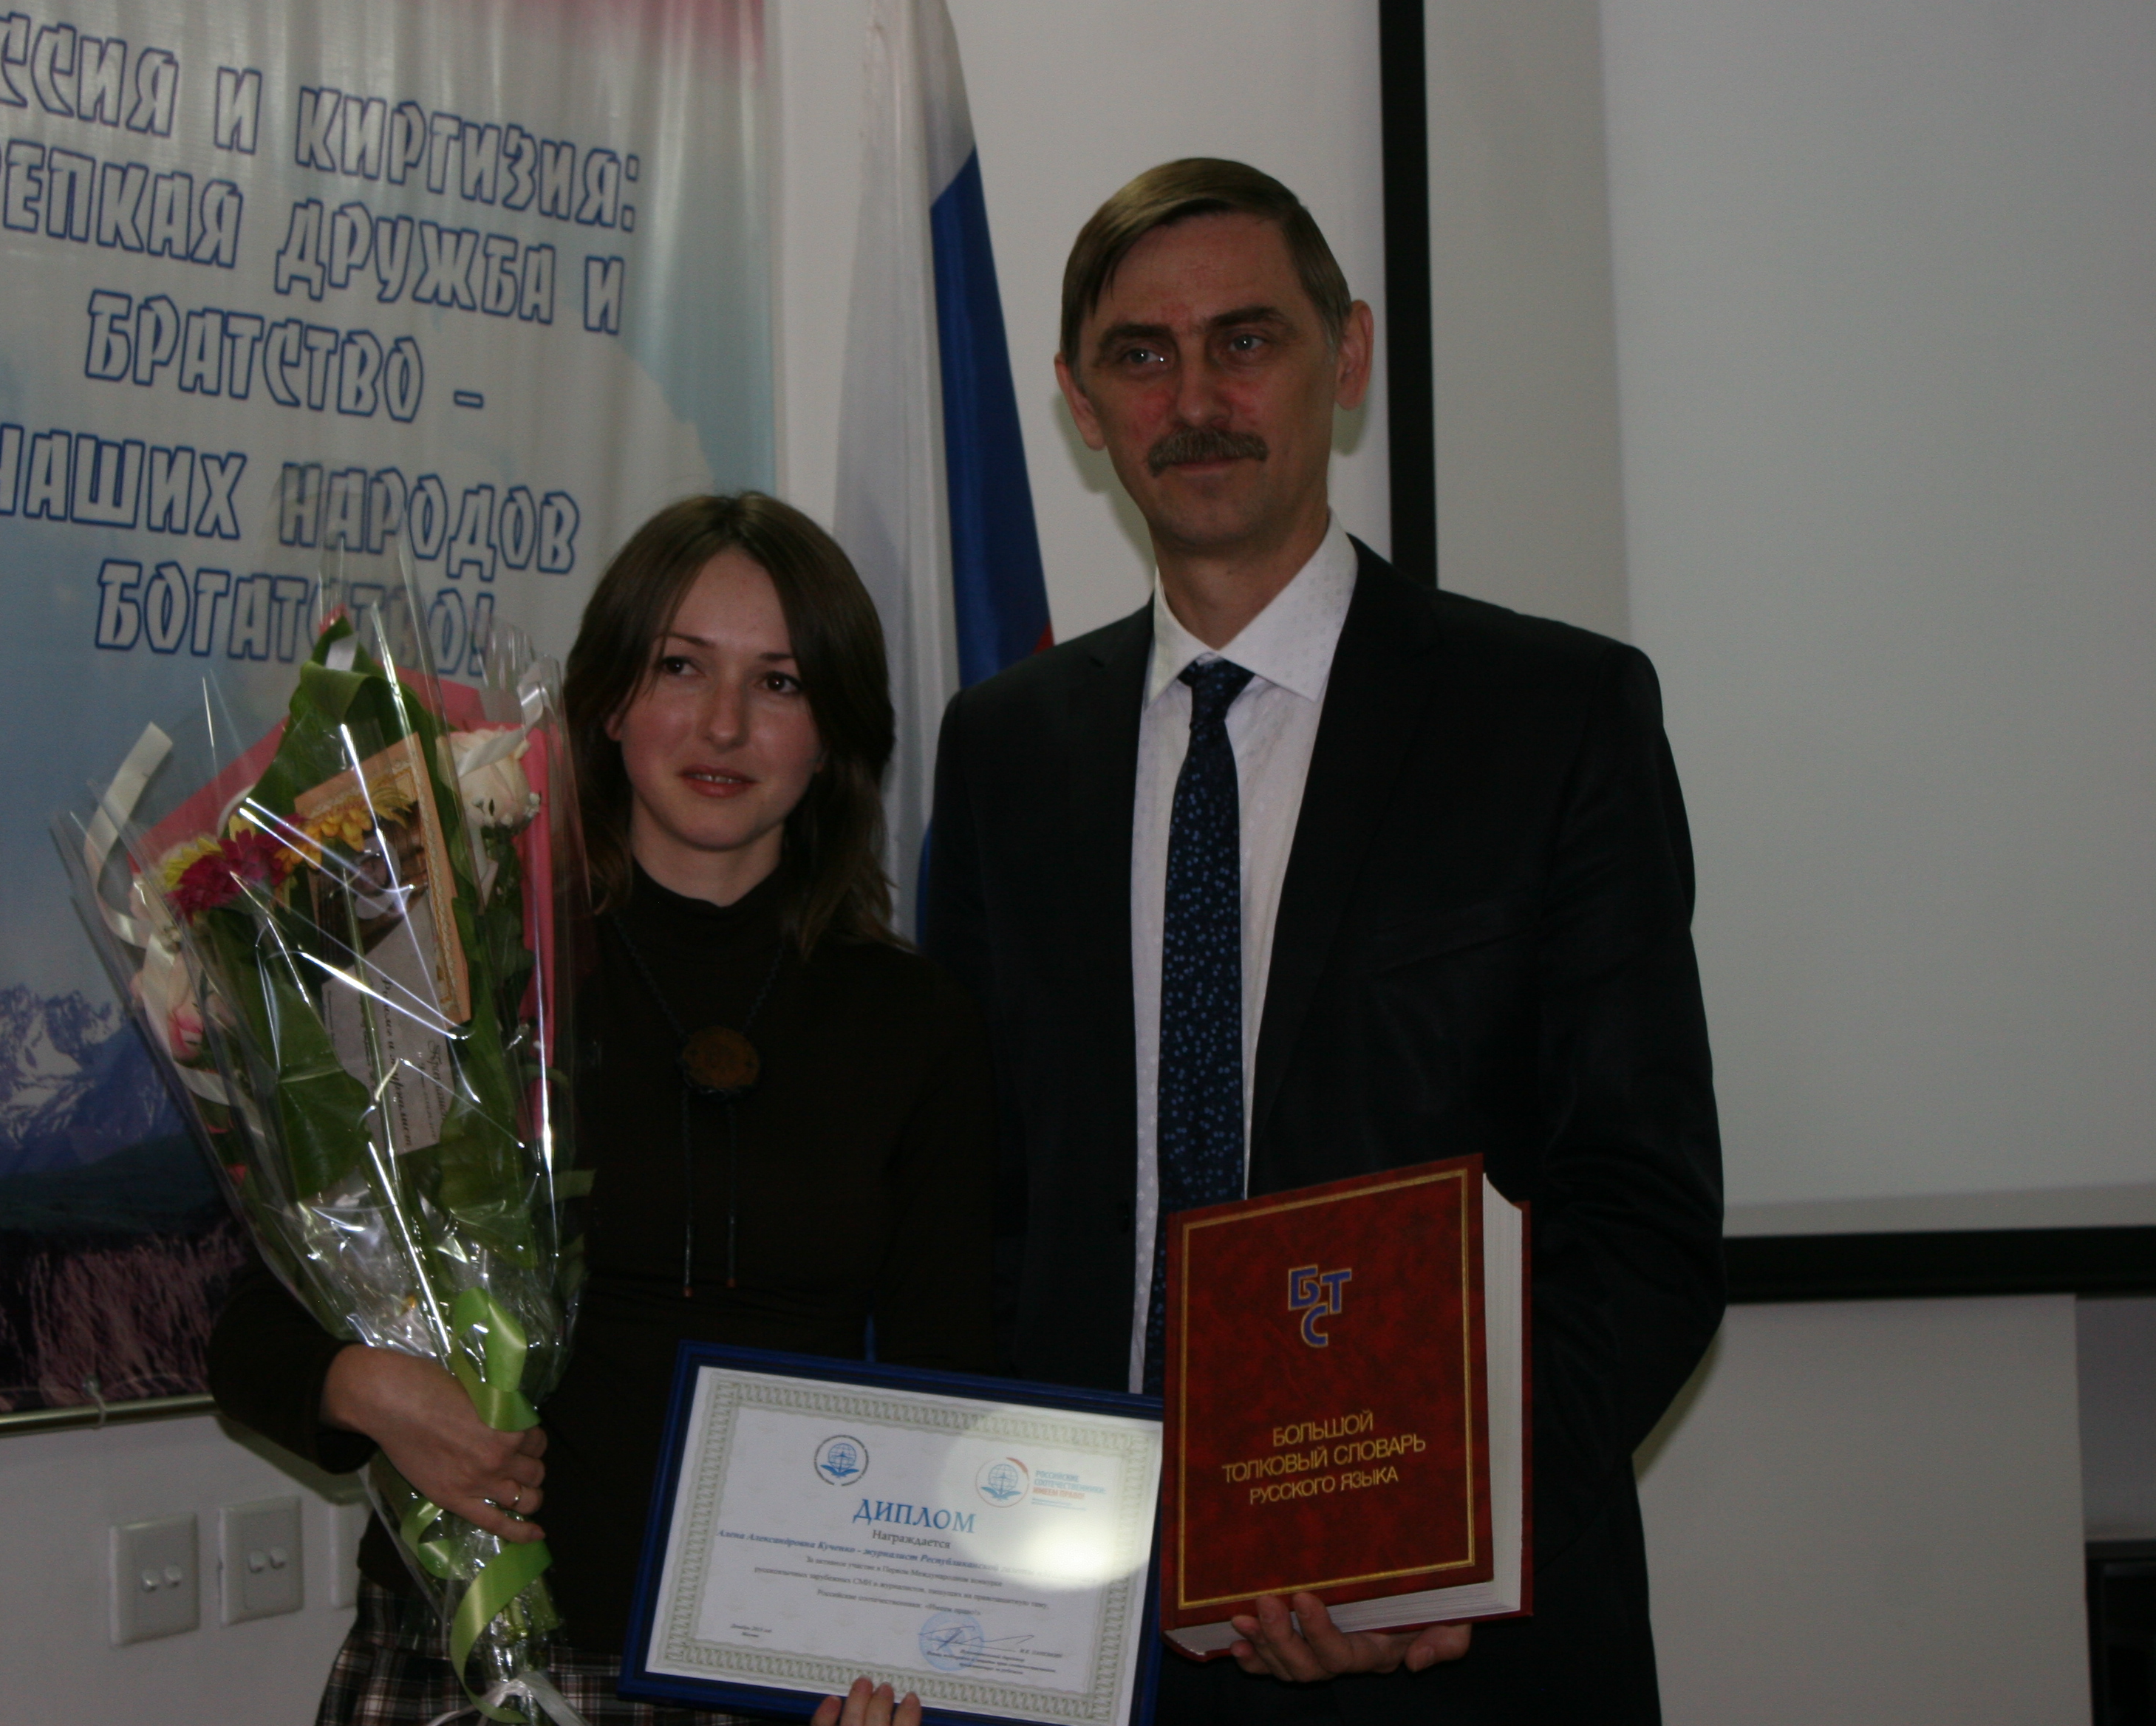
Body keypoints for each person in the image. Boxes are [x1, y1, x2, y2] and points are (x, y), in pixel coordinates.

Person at [921, 159, 1725, 1722]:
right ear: (1080, 403)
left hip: (1446, 1651)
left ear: (1346, 355)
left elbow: (1640, 1215)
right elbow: (979, 1205)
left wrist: (1426, 1548)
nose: (1195, 399)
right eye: (1141, 356)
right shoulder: (1005, 750)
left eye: (1247, 339)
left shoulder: (1554, 717)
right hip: (1088, 1642)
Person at [208, 493, 992, 1726]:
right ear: (611, 700)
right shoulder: (465, 970)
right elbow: (250, 1328)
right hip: (478, 1662)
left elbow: (960, 1392)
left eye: (779, 682)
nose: (724, 723)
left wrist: (915, 1658)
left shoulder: (917, 1023)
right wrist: (370, 1391)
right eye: (681, 666)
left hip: (785, 1683)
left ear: (835, 731)